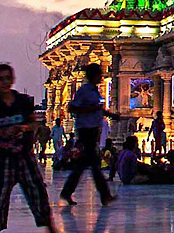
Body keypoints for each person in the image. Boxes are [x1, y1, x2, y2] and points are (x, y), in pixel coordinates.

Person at [0, 64, 56, 233]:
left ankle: (50, 228)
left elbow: (33, 123)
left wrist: (22, 128)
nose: (4, 82)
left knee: (37, 192)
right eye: (0, 79)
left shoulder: (23, 101)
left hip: (24, 156)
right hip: (3, 159)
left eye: (7, 78)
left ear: (13, 79)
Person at [60, 62, 122, 207]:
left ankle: (67, 192)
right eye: (99, 73)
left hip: (93, 130)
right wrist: (90, 109)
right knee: (94, 164)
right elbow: (72, 108)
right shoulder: (84, 90)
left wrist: (112, 115)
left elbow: (98, 110)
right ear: (94, 75)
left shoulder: (94, 91)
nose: (101, 76)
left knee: (83, 164)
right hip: (86, 130)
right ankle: (105, 195)